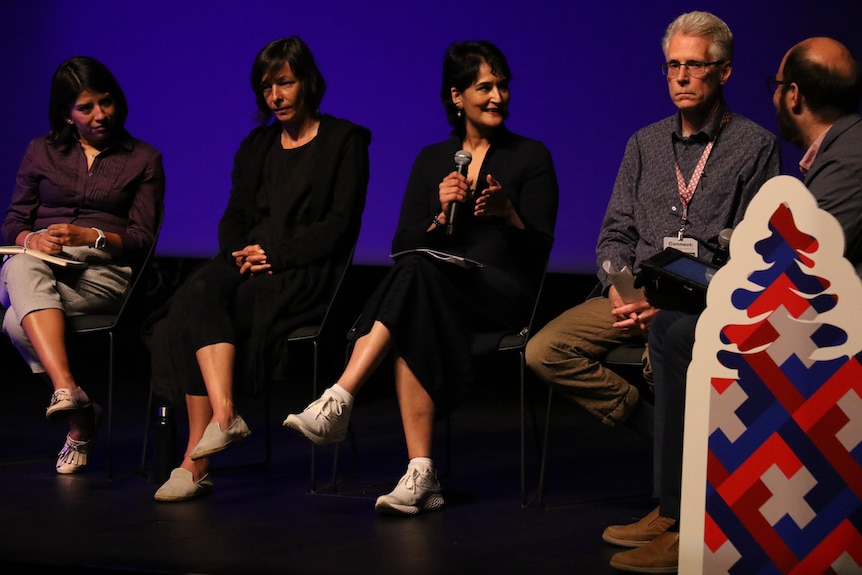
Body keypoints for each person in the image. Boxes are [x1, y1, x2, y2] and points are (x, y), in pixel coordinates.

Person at [608, 36, 862, 574]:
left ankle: (694, 523)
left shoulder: (845, 156)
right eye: (671, 65)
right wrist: (620, 282)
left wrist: (721, 272)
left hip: (829, 332)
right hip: (650, 291)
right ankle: (676, 510)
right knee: (645, 334)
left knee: (679, 334)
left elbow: (803, 263)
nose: (679, 76)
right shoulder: (835, 151)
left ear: (792, 96)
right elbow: (615, 233)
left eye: (692, 65)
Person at [284, 40, 558, 516]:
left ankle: (342, 396)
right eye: (484, 87)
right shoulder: (433, 159)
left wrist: (507, 212)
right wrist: (437, 214)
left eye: (503, 86)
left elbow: (540, 250)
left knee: (415, 285)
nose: (497, 97)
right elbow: (401, 243)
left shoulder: (531, 156)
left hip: (500, 294)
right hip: (439, 289)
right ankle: (421, 474)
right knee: (416, 279)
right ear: (457, 97)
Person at [149, 37, 370, 502]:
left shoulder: (345, 141)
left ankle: (194, 462)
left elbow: (339, 226)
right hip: (251, 261)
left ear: (307, 82)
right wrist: (239, 254)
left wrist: (278, 257)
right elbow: (233, 217)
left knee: (194, 313)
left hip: (306, 269)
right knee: (198, 291)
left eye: (285, 83)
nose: (276, 96)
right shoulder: (257, 145)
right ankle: (224, 416)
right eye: (267, 87)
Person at [0, 57, 165, 474]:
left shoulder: (143, 158)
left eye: (106, 102)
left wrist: (89, 236)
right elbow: (13, 223)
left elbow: (142, 240)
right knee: (22, 265)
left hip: (102, 274)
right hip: (41, 265)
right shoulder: (41, 151)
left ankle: (78, 411)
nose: (99, 115)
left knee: (13, 322)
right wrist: (31, 239)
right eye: (85, 108)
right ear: (66, 114)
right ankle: (70, 395)